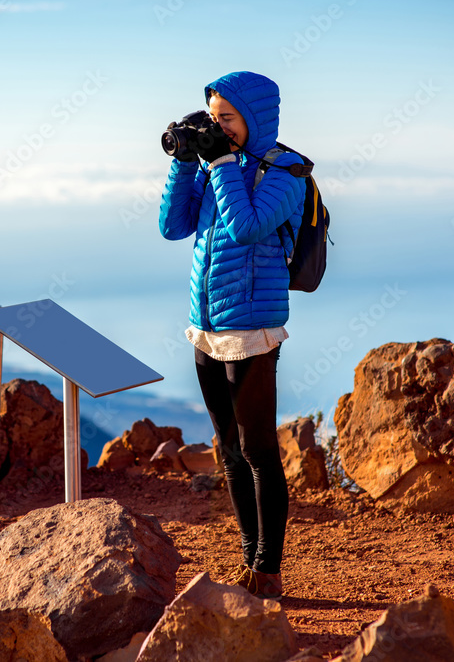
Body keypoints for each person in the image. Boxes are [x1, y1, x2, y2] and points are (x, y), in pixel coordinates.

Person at [158, 71, 306, 599]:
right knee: (228, 450)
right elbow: (173, 226)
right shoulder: (220, 167)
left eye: (228, 118)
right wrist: (183, 162)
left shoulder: (287, 172)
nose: (219, 127)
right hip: (205, 328)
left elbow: (246, 228)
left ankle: (269, 567)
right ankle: (249, 560)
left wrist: (219, 162)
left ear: (255, 118)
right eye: (213, 117)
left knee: (259, 449)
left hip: (252, 332)